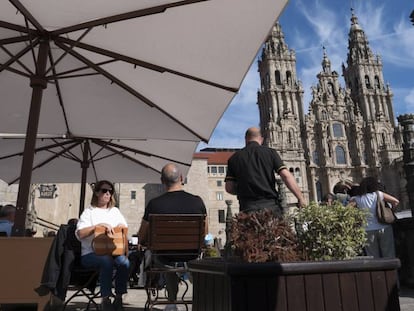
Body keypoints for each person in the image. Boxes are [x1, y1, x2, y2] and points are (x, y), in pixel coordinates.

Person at [137, 163, 207, 311]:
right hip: (191, 257)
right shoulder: (197, 202)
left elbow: (141, 236)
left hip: (164, 258)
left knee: (164, 257)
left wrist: (144, 241)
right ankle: (195, 298)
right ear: (181, 178)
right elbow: (205, 233)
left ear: (162, 181)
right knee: (175, 256)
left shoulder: (154, 204)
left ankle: (172, 301)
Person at [225, 127, 306, 216]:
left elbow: (229, 188)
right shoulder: (270, 153)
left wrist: (243, 189)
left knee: (249, 229)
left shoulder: (234, 158)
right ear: (261, 139)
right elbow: (286, 176)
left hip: (247, 209)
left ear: (245, 139)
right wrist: (300, 198)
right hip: (270, 208)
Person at [76, 180, 129, 311]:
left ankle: (119, 297)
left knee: (125, 263)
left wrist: (120, 228)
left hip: (113, 251)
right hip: (90, 254)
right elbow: (80, 234)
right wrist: (96, 227)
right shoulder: (89, 212)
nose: (107, 194)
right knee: (106, 261)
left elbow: (124, 231)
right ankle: (105, 299)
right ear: (97, 192)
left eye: (110, 191)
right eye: (104, 190)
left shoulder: (115, 211)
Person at [350, 176, 399, 258]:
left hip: (367, 230)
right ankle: (391, 270)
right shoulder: (378, 194)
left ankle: (378, 271)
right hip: (384, 227)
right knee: (389, 255)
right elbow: (395, 201)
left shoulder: (357, 199)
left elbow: (347, 211)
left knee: (373, 257)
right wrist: (390, 210)